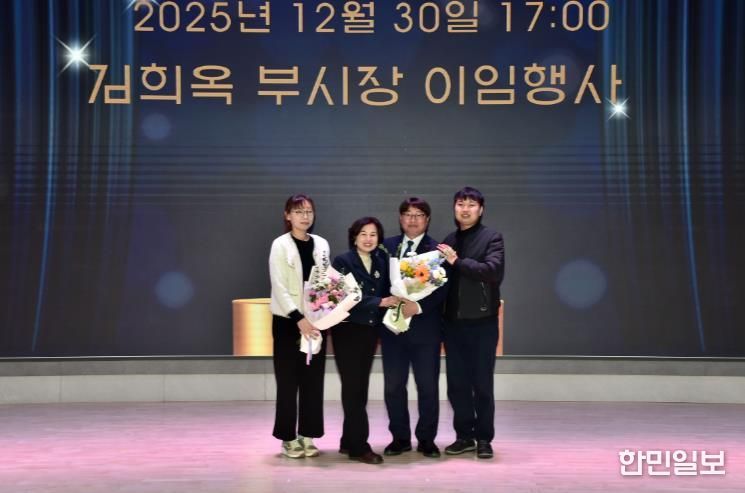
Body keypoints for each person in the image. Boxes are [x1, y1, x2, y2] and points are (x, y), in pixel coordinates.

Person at [437, 187, 505, 460]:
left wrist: (457, 261)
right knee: (457, 384)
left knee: (482, 384)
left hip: (482, 323)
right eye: (460, 204)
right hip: (453, 325)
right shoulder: (449, 240)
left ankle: (484, 438)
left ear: (481, 209)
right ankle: (464, 436)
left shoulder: (492, 238)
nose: (465, 209)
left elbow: (492, 271)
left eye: (471, 204)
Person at [380, 198, 447, 459]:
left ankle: (427, 440)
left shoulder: (437, 251)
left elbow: (443, 289)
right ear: (400, 218)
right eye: (408, 214)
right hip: (393, 331)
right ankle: (399, 438)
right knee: (393, 386)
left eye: (419, 215)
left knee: (427, 387)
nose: (413, 219)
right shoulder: (386, 247)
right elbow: (378, 283)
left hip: (426, 331)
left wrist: (417, 307)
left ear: (427, 220)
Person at [331, 217, 399, 464]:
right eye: (363, 234)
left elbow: (391, 291)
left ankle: (348, 440)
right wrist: (379, 302)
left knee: (359, 388)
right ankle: (359, 447)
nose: (368, 239)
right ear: (354, 237)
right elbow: (342, 297)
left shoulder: (382, 261)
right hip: (347, 331)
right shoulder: (342, 261)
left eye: (373, 234)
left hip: (369, 331)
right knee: (353, 388)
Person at [268, 194, 330, 459]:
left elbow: (326, 281)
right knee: (287, 381)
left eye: (309, 211)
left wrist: (321, 314)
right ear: (287, 215)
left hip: (316, 321)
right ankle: (288, 437)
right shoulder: (280, 245)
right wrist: (298, 318)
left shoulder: (322, 244)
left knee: (313, 381)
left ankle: (308, 434)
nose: (305, 216)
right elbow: (279, 286)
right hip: (287, 322)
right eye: (298, 211)